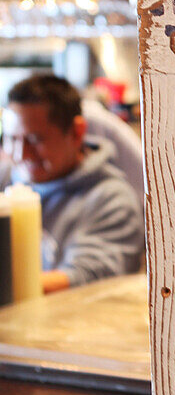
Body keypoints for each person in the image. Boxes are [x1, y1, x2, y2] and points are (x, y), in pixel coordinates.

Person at [1, 74, 145, 294]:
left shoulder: (111, 199)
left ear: (77, 132)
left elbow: (88, 278)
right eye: (12, 139)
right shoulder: (6, 178)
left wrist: (8, 287)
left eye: (35, 140)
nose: (20, 154)